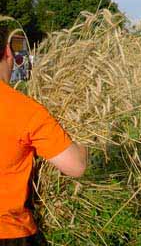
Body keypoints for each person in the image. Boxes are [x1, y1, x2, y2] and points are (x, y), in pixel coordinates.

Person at [0, 27, 87, 245]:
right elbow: (76, 167)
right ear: (9, 53)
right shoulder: (25, 110)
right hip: (11, 233)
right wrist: (86, 147)